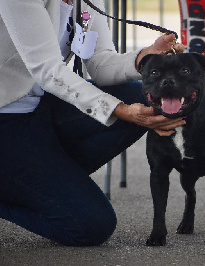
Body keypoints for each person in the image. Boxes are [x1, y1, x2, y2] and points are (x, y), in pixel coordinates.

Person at [0, 0, 185, 246]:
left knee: (144, 97)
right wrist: (118, 110)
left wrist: (144, 57)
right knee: (92, 226)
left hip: (41, 107)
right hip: (7, 118)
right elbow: (49, 71)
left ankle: (49, 182)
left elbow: (100, 63)